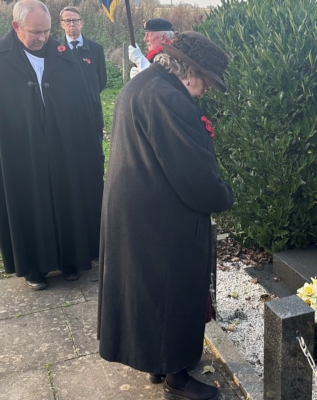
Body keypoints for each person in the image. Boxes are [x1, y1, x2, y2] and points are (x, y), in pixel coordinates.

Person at [97, 32, 233, 400]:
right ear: (189, 71)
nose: (205, 90)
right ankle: (177, 379)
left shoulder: (144, 83)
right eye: (206, 81)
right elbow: (193, 175)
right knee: (172, 291)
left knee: (152, 292)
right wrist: (223, 196)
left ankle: (158, 362)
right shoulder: (169, 98)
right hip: (163, 218)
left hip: (140, 210)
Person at [0, 0, 103, 290]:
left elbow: (85, 101)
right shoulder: (2, 57)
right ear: (16, 27)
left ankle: (71, 259)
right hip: (19, 147)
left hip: (64, 142)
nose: (43, 38)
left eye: (46, 31)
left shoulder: (63, 56)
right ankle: (35, 267)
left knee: (68, 194)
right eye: (36, 32)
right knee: (29, 200)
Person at [58, 6, 107, 163]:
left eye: (76, 20)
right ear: (62, 24)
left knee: (94, 157)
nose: (72, 24)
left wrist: (87, 96)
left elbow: (101, 80)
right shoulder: (53, 50)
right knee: (69, 158)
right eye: (68, 20)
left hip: (91, 112)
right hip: (65, 115)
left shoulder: (96, 49)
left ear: (82, 23)